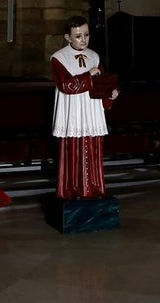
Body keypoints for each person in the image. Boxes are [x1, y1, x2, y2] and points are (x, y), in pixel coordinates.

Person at [51, 16, 119, 199]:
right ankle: (72, 190)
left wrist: (110, 93)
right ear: (67, 37)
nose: (84, 40)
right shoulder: (59, 58)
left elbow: (103, 82)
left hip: (91, 111)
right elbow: (66, 85)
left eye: (86, 35)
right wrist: (88, 75)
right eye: (78, 36)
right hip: (73, 111)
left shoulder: (94, 56)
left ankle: (94, 189)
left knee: (93, 149)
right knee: (73, 150)